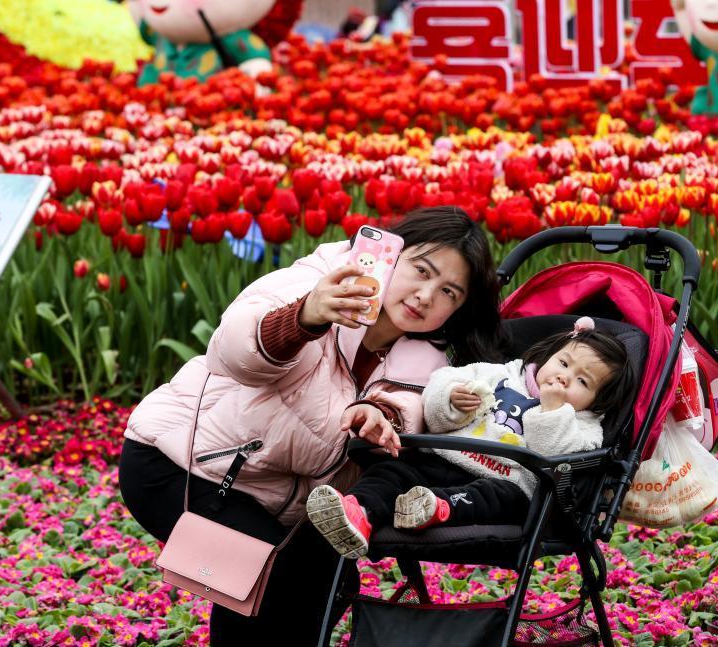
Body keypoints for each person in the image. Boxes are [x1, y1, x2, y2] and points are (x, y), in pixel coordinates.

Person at [118, 206, 504, 645]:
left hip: (269, 494)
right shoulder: (322, 280)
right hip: (182, 464)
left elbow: (411, 406)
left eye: (449, 292)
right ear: (391, 252)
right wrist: (305, 316)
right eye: (421, 270)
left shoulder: (428, 357)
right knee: (267, 573)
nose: (426, 295)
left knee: (329, 581)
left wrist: (381, 418)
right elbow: (230, 350)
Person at [306, 317, 636, 559]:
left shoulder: (585, 426)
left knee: (498, 496)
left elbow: (558, 458)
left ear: (599, 400)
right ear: (551, 353)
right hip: (443, 458)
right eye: (564, 362)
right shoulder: (501, 373)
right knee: (392, 470)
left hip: (505, 483)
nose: (564, 377)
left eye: (583, 381)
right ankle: (358, 512)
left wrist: (551, 412)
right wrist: (451, 399)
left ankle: (437, 508)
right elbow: (439, 385)